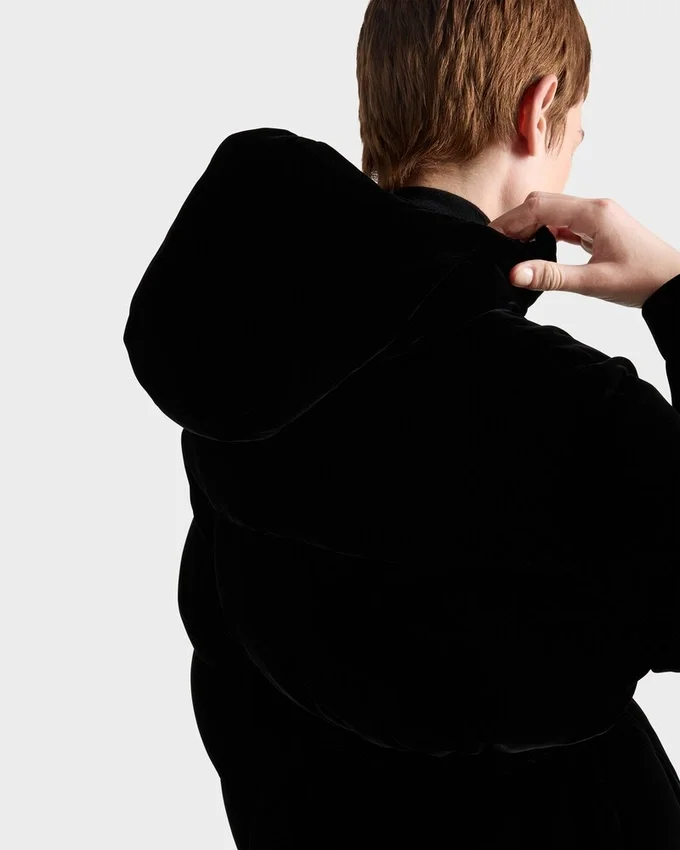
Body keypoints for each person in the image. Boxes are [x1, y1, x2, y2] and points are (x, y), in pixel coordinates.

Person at [123, 1, 680, 847]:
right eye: (576, 128)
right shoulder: (568, 406)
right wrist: (673, 294)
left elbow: (233, 684)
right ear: (538, 110)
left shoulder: (245, 370)